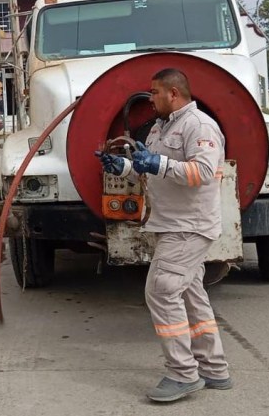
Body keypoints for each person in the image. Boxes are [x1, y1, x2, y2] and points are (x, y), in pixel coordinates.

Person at [95, 67, 231, 403]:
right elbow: (154, 170)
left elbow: (200, 172)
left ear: (173, 93)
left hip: (189, 226)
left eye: (155, 92)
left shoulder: (198, 126)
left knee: (162, 291)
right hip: (171, 224)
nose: (150, 98)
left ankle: (183, 373)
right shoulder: (162, 126)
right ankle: (214, 369)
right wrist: (125, 167)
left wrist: (156, 163)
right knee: (189, 295)